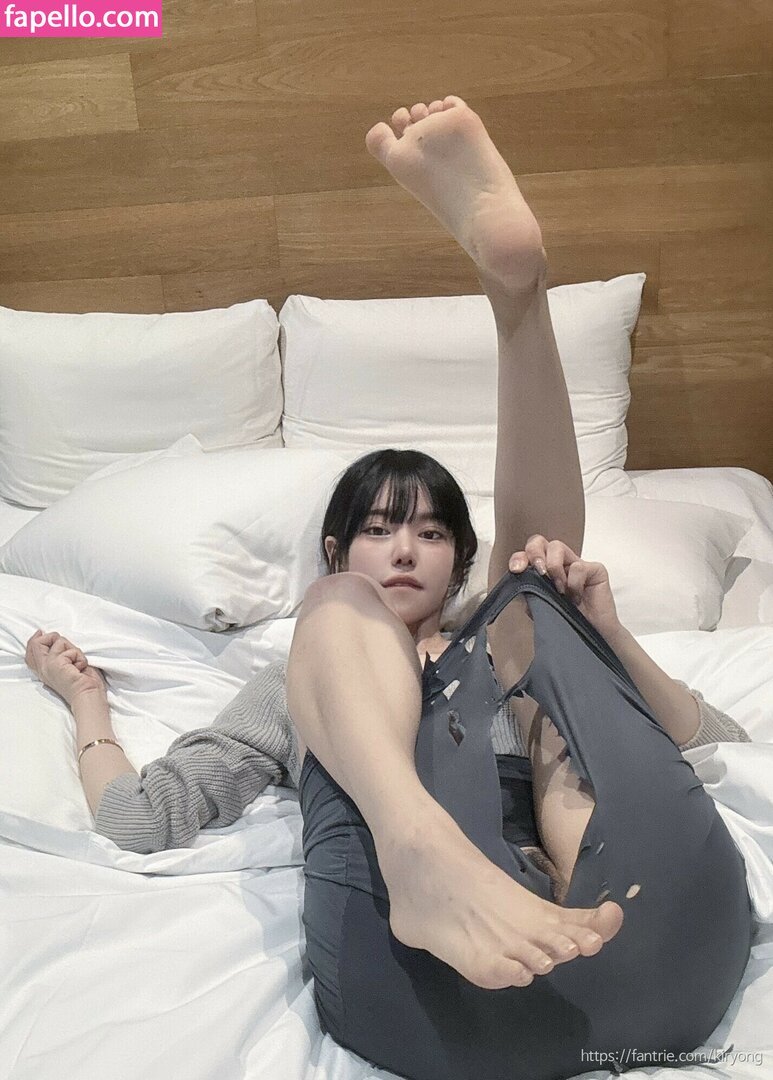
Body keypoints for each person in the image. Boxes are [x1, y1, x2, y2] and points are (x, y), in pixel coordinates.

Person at [25, 97, 753, 1080]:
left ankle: (517, 293)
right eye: (376, 530)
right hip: (434, 992)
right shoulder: (304, 678)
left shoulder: (506, 640)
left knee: (535, 603)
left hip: (655, 950)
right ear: (336, 549)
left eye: (431, 532)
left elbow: (709, 740)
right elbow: (139, 819)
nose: (404, 549)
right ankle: (419, 846)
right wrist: (87, 702)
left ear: (458, 558)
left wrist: (606, 639)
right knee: (347, 620)